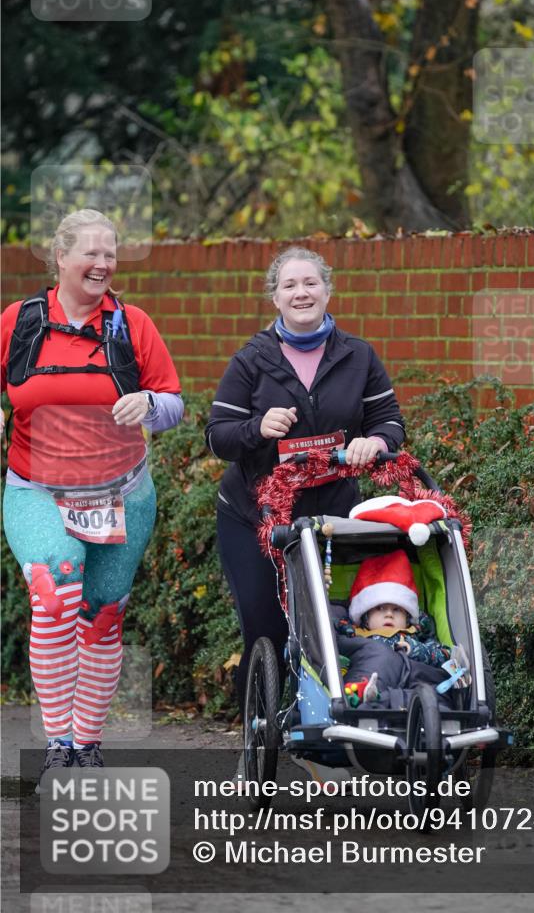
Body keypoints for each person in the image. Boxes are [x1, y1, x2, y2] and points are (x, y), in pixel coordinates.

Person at [1, 209, 184, 786]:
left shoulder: (131, 325)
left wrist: (149, 407)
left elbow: (174, 402)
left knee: (103, 615)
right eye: (92, 253)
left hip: (123, 492)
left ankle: (87, 743)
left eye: (111, 254)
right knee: (57, 596)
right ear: (60, 257)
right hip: (36, 489)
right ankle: (58, 743)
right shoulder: (18, 321)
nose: (104, 264)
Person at [205, 246, 405, 707]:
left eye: (310, 283)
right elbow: (217, 437)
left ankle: (325, 727)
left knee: (331, 623)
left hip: (332, 516)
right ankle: (258, 740)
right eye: (290, 285)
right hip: (256, 518)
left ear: (328, 290)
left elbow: (390, 422)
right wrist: (258, 428)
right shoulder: (251, 360)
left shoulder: (358, 356)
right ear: (274, 297)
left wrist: (375, 443)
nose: (301, 293)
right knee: (267, 631)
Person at [333, 549, 464, 707]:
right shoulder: (356, 636)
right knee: (376, 662)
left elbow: (444, 655)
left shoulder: (415, 635)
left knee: (430, 689)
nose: (389, 614)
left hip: (414, 680)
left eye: (397, 610)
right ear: (366, 618)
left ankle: (437, 710)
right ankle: (366, 696)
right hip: (375, 674)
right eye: (380, 608)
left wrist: (415, 649)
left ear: (407, 617)